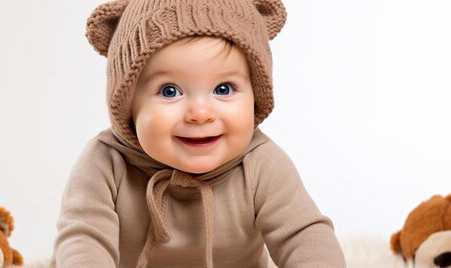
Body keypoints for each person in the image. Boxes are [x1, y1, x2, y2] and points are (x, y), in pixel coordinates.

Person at [52, 0, 346, 267]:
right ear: (128, 105)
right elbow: (83, 239)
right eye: (170, 91)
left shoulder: (260, 163)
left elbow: (304, 235)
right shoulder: (105, 162)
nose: (200, 113)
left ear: (255, 96)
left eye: (224, 89)